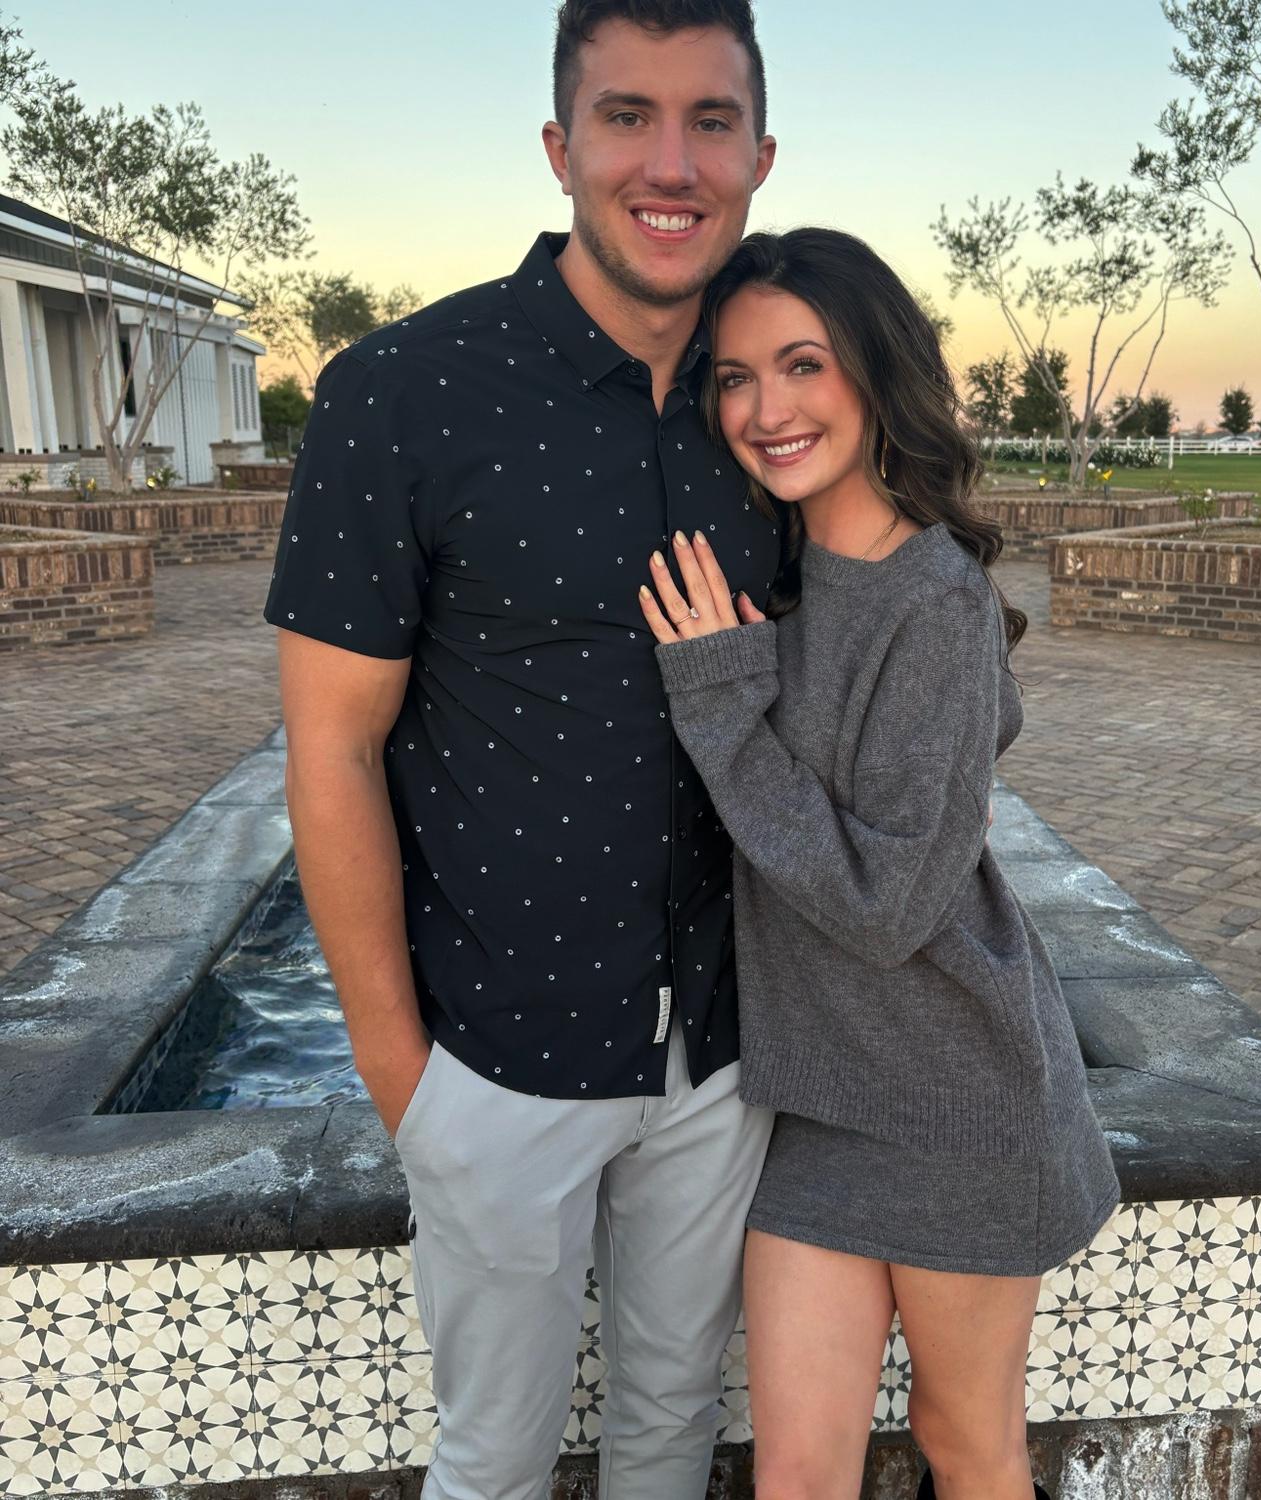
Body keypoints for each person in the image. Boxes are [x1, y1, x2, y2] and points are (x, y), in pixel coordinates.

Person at [263, 3, 784, 1496]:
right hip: (495, 1057)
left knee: (673, 1430)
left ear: (760, 155)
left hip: (722, 1056)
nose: (670, 163)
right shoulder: (403, 392)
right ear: (561, 147)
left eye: (709, 120)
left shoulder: (776, 402)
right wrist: (405, 1082)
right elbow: (331, 749)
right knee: (491, 1458)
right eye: (627, 116)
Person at [640, 228, 1121, 1500]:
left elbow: (890, 902)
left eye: (803, 365)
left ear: (874, 370)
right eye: (734, 378)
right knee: (798, 1475)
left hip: (955, 1100)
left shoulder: (936, 600)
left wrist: (722, 714)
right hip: (811, 1103)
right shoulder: (779, 571)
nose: (767, 410)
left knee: (968, 1451)